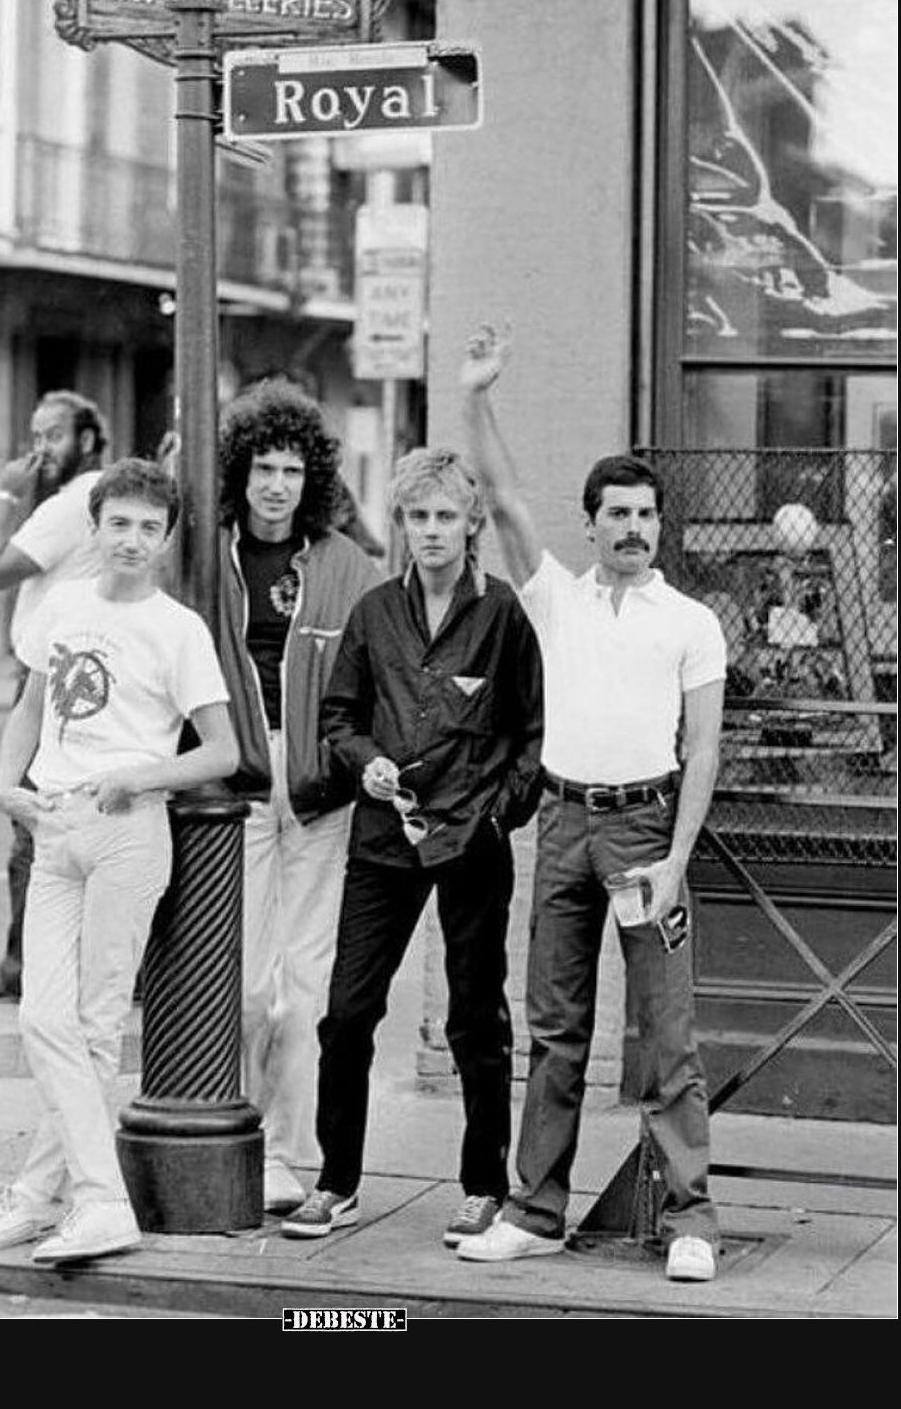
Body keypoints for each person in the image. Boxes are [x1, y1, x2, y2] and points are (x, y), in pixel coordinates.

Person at [453, 326, 725, 1284]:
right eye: (616, 514)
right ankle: (535, 1209)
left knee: (667, 1036)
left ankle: (692, 1217)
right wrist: (479, 395)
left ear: (661, 524)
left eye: (646, 515)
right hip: (564, 826)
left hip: (649, 830)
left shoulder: (691, 622)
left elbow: (705, 751)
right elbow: (501, 498)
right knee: (556, 1030)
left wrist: (679, 857)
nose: (633, 529)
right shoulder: (556, 599)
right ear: (591, 522)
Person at [0, 458, 239, 1265]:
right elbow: (33, 706)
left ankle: (60, 1201)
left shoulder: (178, 629)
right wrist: (7, 786)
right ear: (98, 527)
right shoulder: (67, 604)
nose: (134, 540)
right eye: (120, 524)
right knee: (43, 1019)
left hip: (128, 830)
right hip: (56, 828)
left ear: (168, 539)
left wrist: (139, 775)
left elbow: (223, 749)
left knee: (96, 1026)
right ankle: (80, 1199)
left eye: (151, 528)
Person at [280, 447, 544, 1248]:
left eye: (446, 518)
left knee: (475, 1019)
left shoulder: (501, 615)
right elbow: (339, 717)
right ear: (399, 526)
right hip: (385, 837)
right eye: (417, 517)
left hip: (471, 839)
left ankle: (482, 1187)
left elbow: (532, 734)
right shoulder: (374, 613)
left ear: (471, 526)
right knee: (348, 1013)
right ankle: (336, 1182)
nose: (431, 532)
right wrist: (366, 765)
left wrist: (499, 815)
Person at [216, 379, 378, 1214]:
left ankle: (286, 1149)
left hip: (320, 787)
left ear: (310, 476)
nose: (275, 483)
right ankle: (236, 1130)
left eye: (289, 468)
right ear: (237, 473)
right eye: (261, 467)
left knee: (304, 984)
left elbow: (378, 666)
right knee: (243, 980)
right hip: (237, 781)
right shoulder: (203, 558)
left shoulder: (344, 562)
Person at [0, 390, 108, 1002]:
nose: (39, 449)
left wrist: (4, 496)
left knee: (31, 822)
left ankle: (22, 967)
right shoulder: (91, 497)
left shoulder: (68, 505)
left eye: (53, 435)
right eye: (34, 435)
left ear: (85, 440)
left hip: (47, 677)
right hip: (78, 669)